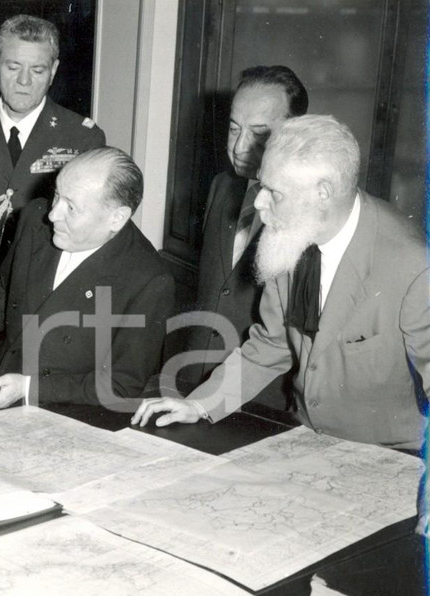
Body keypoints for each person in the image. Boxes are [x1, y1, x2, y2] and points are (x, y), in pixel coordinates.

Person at [134, 115, 429, 451]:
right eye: (261, 186)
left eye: (273, 192)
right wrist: (200, 404)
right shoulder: (289, 237)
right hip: (305, 439)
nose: (259, 203)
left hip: (391, 455)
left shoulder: (413, 265)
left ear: (323, 193)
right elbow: (271, 344)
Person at [0, 147, 173, 414]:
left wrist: (29, 388)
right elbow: (6, 289)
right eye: (56, 196)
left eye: (71, 207)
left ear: (117, 217)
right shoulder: (34, 222)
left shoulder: (149, 280)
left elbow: (120, 385)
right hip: (0, 397)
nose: (53, 214)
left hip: (70, 422)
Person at [175, 65, 308, 409]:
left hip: (265, 396)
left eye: (260, 134)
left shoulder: (309, 212)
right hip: (194, 379)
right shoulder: (222, 186)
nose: (240, 147)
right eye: (234, 129)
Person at [0, 14, 105, 252]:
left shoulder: (83, 139)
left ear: (54, 70)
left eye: (37, 70)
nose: (23, 81)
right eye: (13, 67)